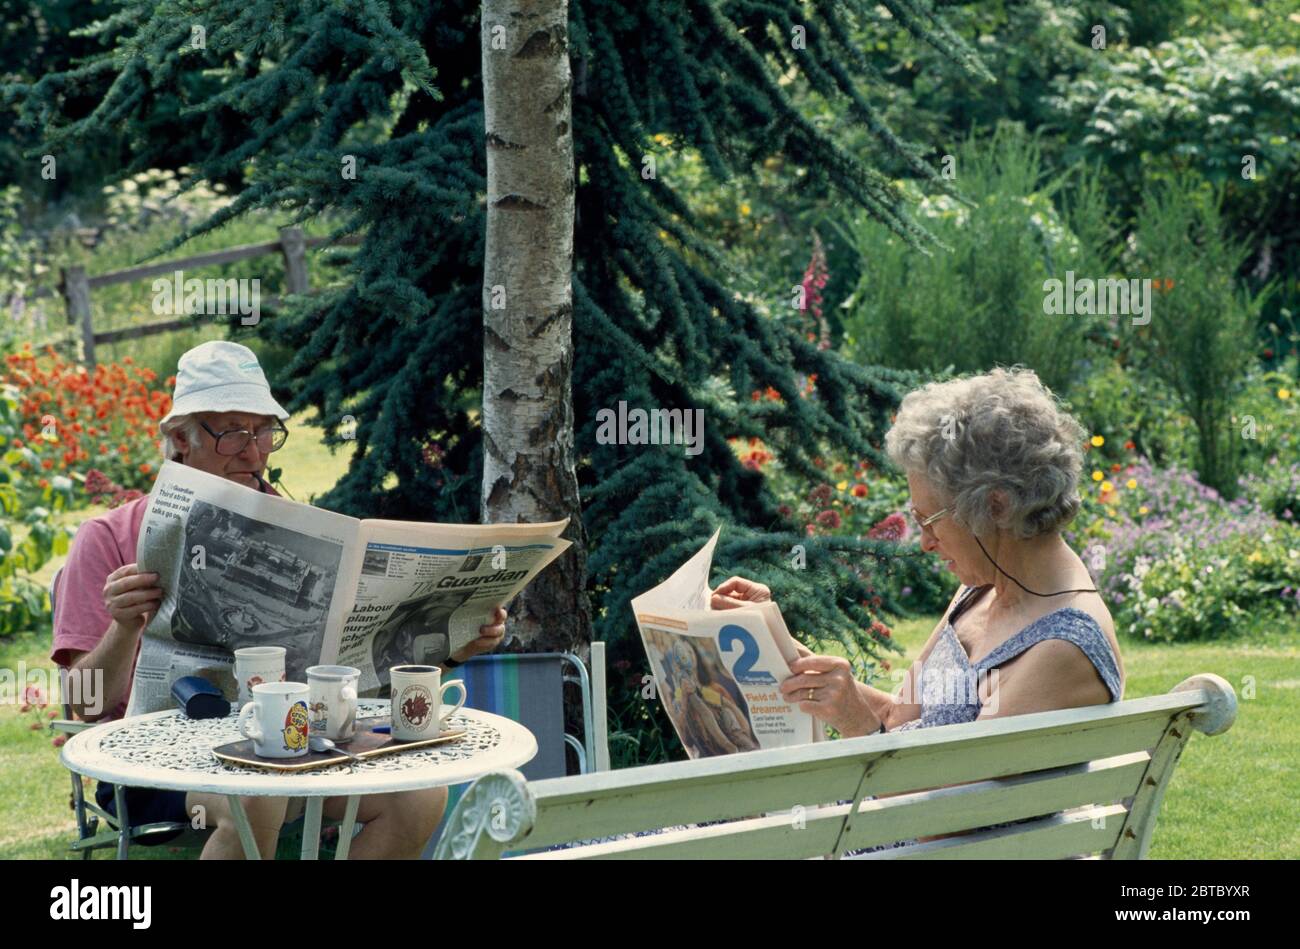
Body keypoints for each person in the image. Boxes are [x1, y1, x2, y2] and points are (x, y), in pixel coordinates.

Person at [51, 340, 508, 859]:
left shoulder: (293, 529)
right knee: (257, 797)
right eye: (232, 433)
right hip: (156, 768)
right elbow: (83, 704)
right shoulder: (107, 538)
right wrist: (123, 628)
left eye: (265, 431)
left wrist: (449, 648)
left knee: (421, 797)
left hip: (292, 746)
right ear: (181, 438)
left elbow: (352, 665)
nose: (254, 451)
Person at [713, 366, 1125, 849]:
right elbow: (900, 720)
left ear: (995, 506)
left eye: (927, 520)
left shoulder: (1062, 647)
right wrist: (773, 644)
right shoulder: (985, 588)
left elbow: (943, 814)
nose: (925, 543)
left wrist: (856, 724)